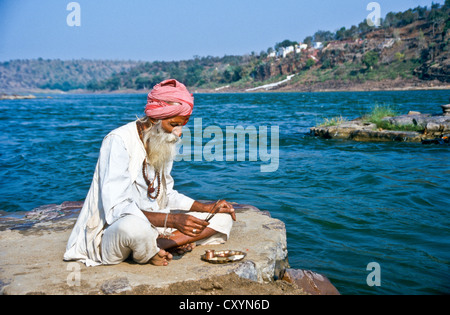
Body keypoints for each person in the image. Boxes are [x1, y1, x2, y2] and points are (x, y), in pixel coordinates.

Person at [64, 79, 236, 267]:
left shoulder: (163, 140)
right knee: (132, 227)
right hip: (113, 233)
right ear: (154, 120)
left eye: (181, 126)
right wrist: (172, 220)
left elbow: (166, 194)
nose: (178, 133)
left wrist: (206, 208)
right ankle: (159, 245)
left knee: (223, 217)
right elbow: (116, 210)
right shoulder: (118, 140)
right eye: (174, 125)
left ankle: (160, 245)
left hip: (157, 228)